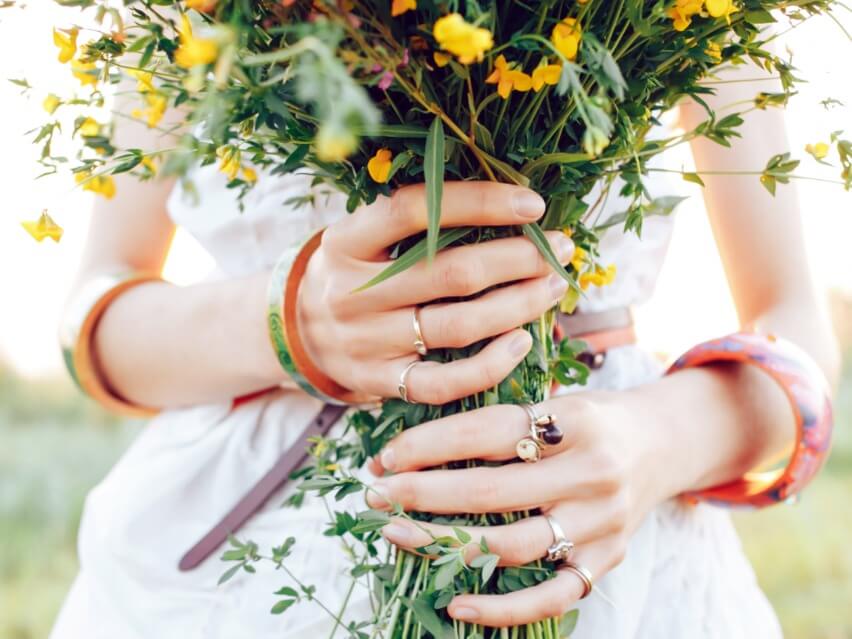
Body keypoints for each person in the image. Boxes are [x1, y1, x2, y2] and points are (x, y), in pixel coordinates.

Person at [50, 61, 838, 639]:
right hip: (237, 554)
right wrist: (291, 323)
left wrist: (657, 440)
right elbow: (95, 324)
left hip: (602, 528)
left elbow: (794, 318)